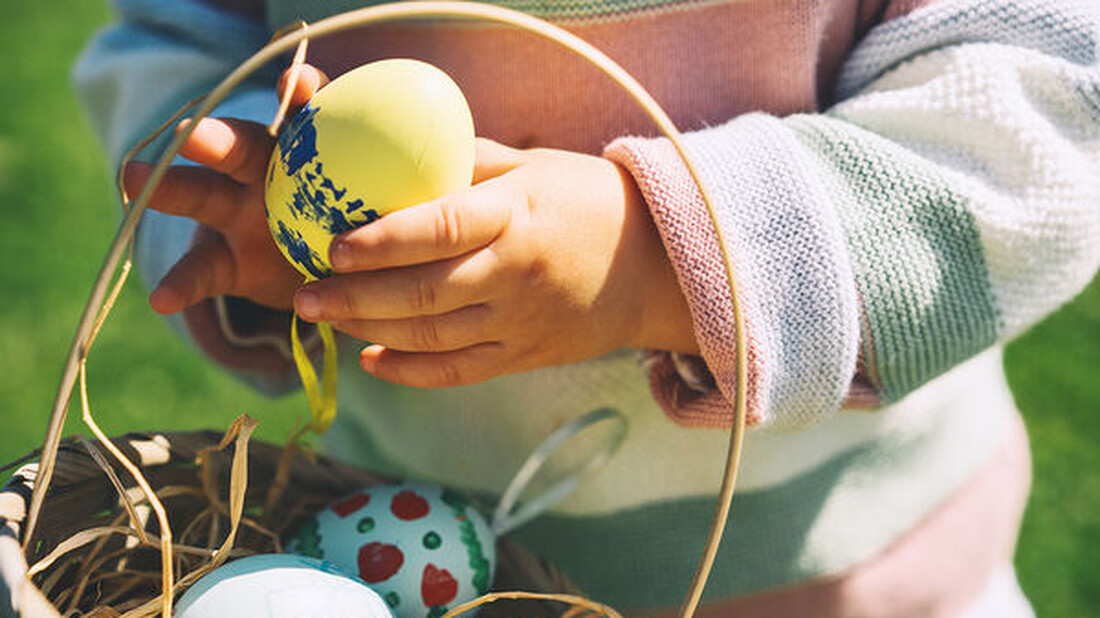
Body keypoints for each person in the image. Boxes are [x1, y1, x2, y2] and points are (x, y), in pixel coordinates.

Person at [74, 0, 1099, 615]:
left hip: (856, 587)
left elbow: (1030, 127)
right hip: (430, 562)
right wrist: (254, 199)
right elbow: (177, 33)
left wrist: (654, 257)